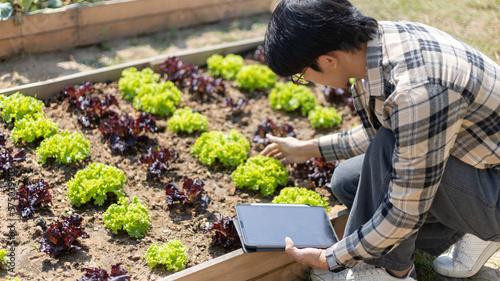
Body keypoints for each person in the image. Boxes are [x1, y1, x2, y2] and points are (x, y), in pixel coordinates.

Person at [260, 0, 500, 280]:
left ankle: (391, 271)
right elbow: (398, 128)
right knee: (347, 180)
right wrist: (309, 149)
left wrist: (333, 257)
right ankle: (471, 232)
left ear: (328, 59)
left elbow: (404, 211)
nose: (308, 81)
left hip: (492, 185)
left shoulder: (416, 90)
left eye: (302, 75)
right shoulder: (377, 45)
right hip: (480, 164)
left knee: (389, 150)